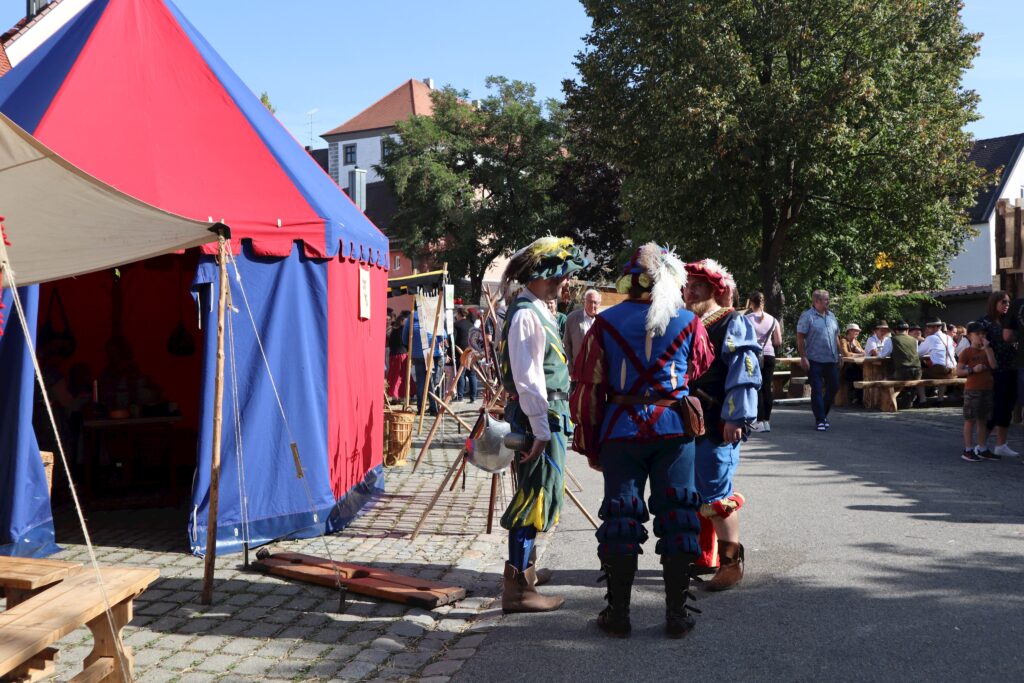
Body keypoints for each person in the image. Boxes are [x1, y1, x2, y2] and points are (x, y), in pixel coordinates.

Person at [571, 243, 712, 638]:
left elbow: (587, 386)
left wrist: (589, 442)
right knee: (679, 516)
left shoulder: (605, 322)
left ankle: (618, 615)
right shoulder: (688, 321)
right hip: (673, 429)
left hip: (621, 429)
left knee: (621, 517)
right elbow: (701, 363)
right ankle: (676, 615)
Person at [497, 236, 589, 613]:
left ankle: (527, 572)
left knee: (542, 491)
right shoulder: (525, 314)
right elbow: (528, 378)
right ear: (537, 275)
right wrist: (539, 428)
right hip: (540, 414)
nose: (562, 283)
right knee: (533, 496)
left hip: (546, 413)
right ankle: (518, 588)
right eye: (557, 276)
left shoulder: (536, 310)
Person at [684, 259, 761, 591]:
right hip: (686, 420)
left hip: (718, 420)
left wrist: (735, 417)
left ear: (715, 290)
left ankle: (732, 564)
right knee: (694, 491)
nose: (691, 291)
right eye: (688, 285)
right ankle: (705, 555)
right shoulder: (687, 321)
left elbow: (743, 372)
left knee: (716, 493)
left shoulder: (733, 321)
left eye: (698, 286)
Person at [979, 290, 1018, 456]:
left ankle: (1001, 444)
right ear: (994, 303)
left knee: (1007, 407)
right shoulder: (984, 323)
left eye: (1008, 302)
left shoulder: (1009, 321)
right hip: (994, 370)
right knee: (995, 407)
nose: (1006, 305)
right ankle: (982, 445)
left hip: (1012, 367)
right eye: (1003, 302)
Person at [796, 290, 841, 431]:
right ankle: (820, 419)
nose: (828, 302)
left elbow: (836, 336)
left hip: (831, 360)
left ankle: (822, 413)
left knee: (834, 386)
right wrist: (803, 357)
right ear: (816, 301)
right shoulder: (807, 316)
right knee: (816, 389)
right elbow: (800, 338)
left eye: (828, 299)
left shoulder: (831, 316)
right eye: (825, 300)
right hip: (814, 359)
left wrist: (840, 354)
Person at [957, 322, 999, 462]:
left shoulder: (988, 350)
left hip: (987, 389)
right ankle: (968, 449)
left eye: (983, 334)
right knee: (970, 420)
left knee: (983, 420)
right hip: (972, 390)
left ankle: (982, 448)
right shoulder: (967, 352)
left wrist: (988, 349)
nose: (981, 337)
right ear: (970, 336)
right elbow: (958, 371)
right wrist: (972, 370)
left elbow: (994, 365)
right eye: (977, 334)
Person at [744, 291, 781, 432]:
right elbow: (778, 341)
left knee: (757, 387)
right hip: (769, 355)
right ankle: (767, 421)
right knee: (767, 387)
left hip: (753, 356)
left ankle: (758, 420)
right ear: (763, 302)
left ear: (751, 302)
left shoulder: (747, 318)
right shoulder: (773, 320)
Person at [403, 307, 448, 416]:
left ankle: (421, 408)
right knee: (431, 381)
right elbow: (443, 335)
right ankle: (433, 408)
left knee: (420, 382)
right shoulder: (432, 314)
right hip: (431, 353)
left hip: (417, 354)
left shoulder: (411, 317)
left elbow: (404, 338)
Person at [918, 317, 958, 403]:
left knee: (918, 374)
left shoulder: (931, 338)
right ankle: (940, 399)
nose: (928, 329)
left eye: (928, 327)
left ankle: (922, 400)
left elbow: (918, 353)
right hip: (954, 370)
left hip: (942, 370)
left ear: (935, 327)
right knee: (941, 370)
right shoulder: (948, 337)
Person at [563, 288, 602, 374]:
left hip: (598, 372)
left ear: (599, 304)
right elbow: (566, 345)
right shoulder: (572, 318)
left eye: (595, 302)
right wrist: (570, 369)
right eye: (590, 302)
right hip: (578, 371)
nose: (592, 305)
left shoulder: (604, 320)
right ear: (584, 302)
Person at [452, 308, 478, 402]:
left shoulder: (456, 325)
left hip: (461, 351)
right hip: (471, 351)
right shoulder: (472, 325)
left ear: (459, 314)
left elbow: (453, 340)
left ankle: (460, 396)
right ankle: (473, 396)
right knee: (472, 374)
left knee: (461, 374)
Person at [386, 311, 410, 401]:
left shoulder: (393, 330)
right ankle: (397, 396)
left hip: (394, 354)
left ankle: (395, 395)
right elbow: (404, 342)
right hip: (401, 354)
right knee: (400, 376)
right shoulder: (402, 330)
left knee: (394, 375)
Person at [839, 323, 865, 404]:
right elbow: (845, 354)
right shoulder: (843, 341)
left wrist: (858, 349)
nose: (857, 332)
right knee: (859, 375)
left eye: (858, 331)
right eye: (855, 331)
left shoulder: (856, 342)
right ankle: (858, 398)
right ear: (849, 331)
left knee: (863, 374)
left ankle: (860, 398)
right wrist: (858, 354)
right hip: (844, 368)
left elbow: (864, 353)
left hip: (855, 366)